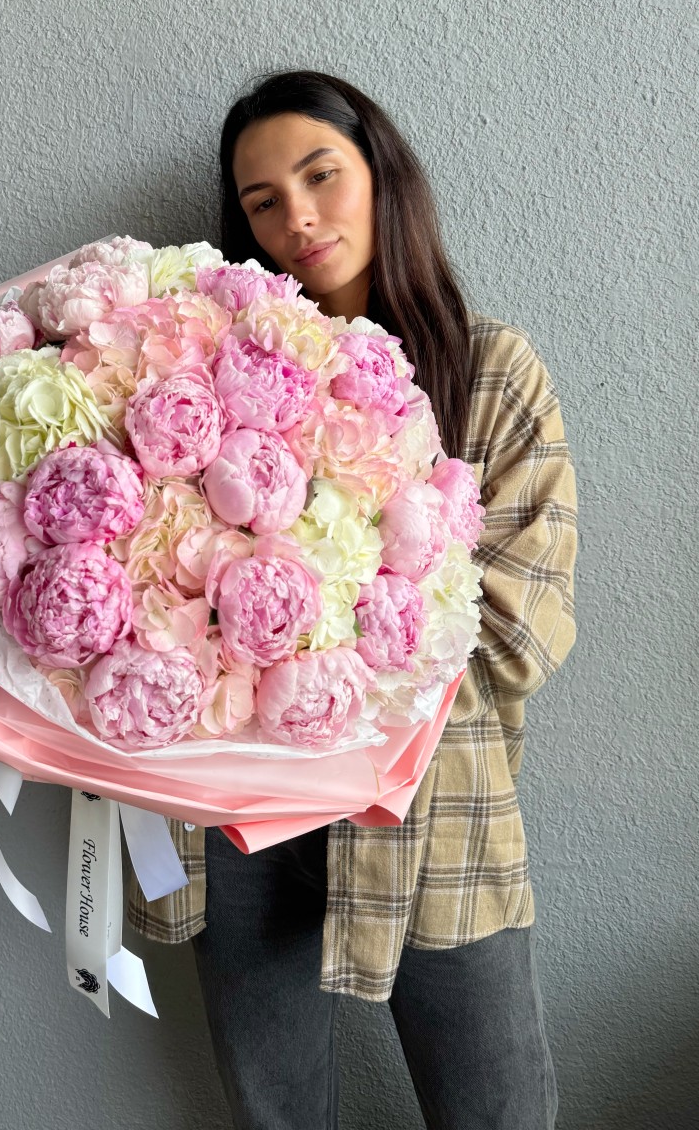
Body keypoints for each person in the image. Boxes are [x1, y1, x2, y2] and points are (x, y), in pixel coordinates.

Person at [127, 70, 579, 1130]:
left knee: (501, 1112)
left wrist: (320, 619)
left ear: (383, 176)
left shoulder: (491, 371)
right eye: (262, 202)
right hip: (242, 820)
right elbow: (150, 589)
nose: (299, 218)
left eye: (320, 175)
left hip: (437, 816)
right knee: (275, 1113)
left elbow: (522, 627)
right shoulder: (198, 379)